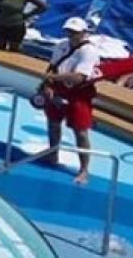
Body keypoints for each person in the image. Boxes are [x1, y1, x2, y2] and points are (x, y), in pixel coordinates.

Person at [39, 15, 102, 183]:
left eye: (75, 32)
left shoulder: (89, 51)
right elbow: (52, 67)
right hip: (59, 88)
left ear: (83, 32)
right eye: (69, 31)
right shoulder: (61, 46)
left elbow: (79, 77)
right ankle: (52, 155)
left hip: (78, 93)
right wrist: (48, 85)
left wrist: (53, 78)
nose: (71, 35)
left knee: (80, 131)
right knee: (53, 122)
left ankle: (84, 170)